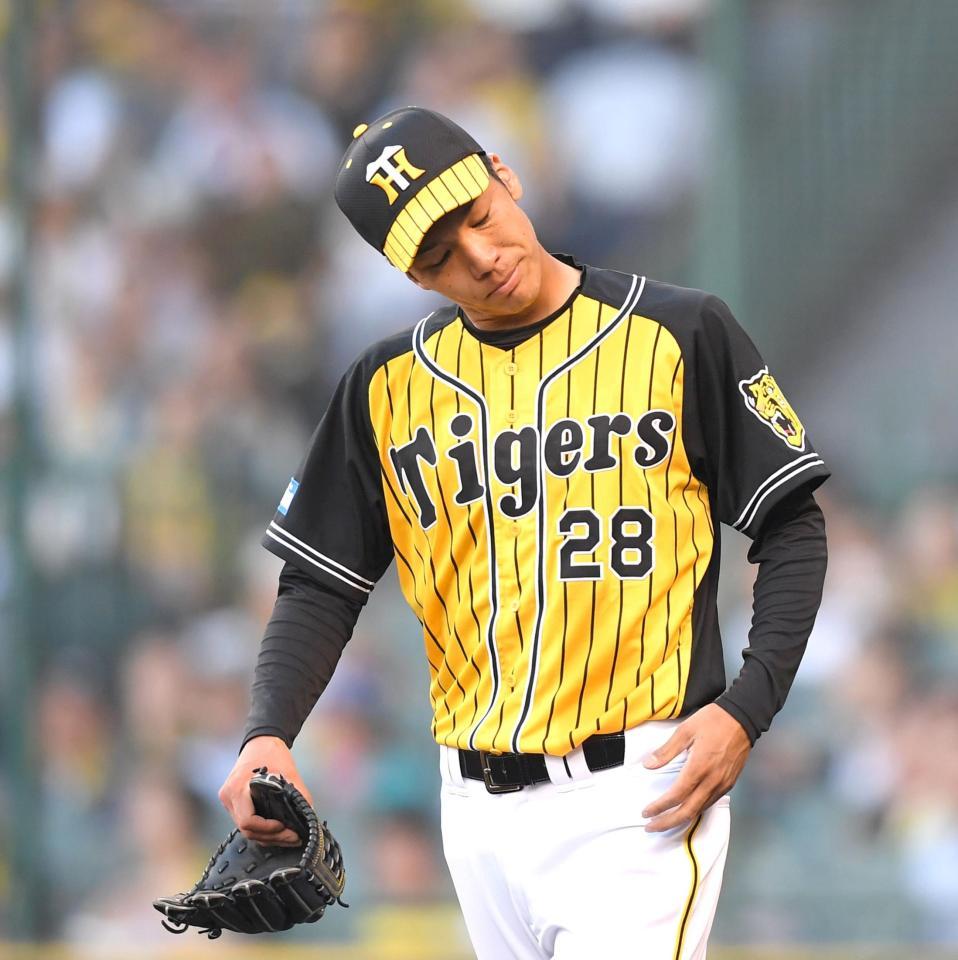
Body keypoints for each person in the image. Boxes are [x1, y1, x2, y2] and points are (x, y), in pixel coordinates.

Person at [217, 107, 829, 958]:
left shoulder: (681, 333)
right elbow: (320, 585)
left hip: (641, 791)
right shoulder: (383, 387)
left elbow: (792, 526)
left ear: (504, 174)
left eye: (478, 215)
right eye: (440, 255)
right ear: (412, 276)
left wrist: (747, 708)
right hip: (474, 814)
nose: (479, 255)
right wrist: (267, 732)